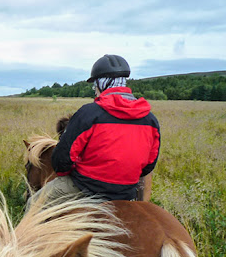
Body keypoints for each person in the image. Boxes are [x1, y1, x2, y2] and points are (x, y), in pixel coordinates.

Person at [34, 54, 160, 204]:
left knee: (34, 203)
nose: (95, 90)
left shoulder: (89, 114)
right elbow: (148, 166)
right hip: (126, 192)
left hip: (86, 187)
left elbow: (61, 161)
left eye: (95, 85)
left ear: (102, 83)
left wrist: (76, 172)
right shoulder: (150, 120)